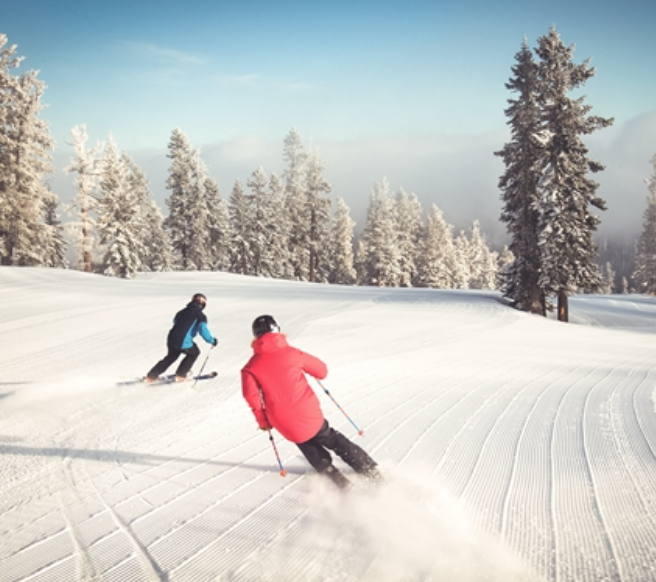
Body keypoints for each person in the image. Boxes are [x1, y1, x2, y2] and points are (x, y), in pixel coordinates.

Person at [241, 314, 380, 490]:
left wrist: (263, 422)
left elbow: (251, 397)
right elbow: (322, 371)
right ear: (277, 330)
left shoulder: (250, 368)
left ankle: (337, 479)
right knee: (331, 438)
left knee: (304, 442)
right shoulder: (292, 353)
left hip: (281, 418)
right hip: (307, 411)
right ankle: (369, 471)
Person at [145, 293, 217, 383]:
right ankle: (181, 375)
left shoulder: (182, 311)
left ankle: (151, 376)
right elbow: (203, 330)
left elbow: (175, 321)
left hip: (171, 338)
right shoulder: (200, 316)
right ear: (203, 304)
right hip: (183, 341)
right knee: (194, 353)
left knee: (171, 357)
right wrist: (212, 340)